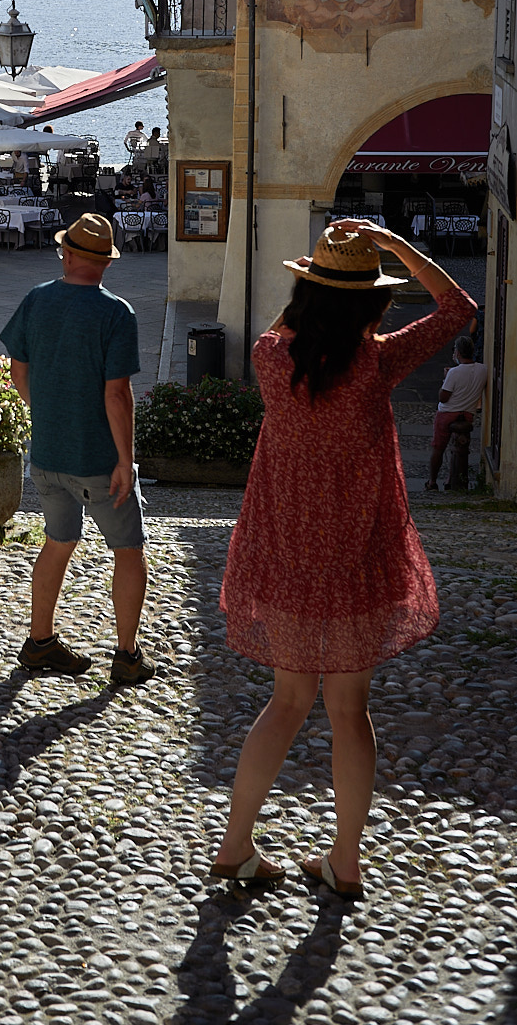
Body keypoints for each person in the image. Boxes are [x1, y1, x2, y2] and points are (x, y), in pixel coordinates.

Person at [211, 221, 474, 899]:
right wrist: (395, 247)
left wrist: (314, 278)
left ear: (305, 295)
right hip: (359, 556)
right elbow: (459, 309)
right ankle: (345, 860)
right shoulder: (376, 363)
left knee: (286, 702)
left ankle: (236, 846)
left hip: (288, 553)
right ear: (373, 304)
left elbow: (280, 329)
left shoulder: (272, 358)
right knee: (350, 712)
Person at [0, 213, 154, 686]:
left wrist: (48, 413)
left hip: (47, 455)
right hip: (97, 459)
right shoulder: (116, 313)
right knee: (128, 549)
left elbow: (18, 373)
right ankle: (126, 655)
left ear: (66, 255)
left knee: (57, 542)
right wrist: (124, 460)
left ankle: (39, 641)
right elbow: (117, 394)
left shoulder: (36, 299)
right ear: (106, 263)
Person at [426, 334, 488, 491]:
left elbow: (443, 397)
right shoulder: (483, 370)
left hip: (447, 413)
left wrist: (445, 378)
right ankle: (451, 479)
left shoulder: (454, 373)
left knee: (438, 448)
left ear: (458, 352)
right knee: (458, 448)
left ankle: (432, 482)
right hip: (467, 413)